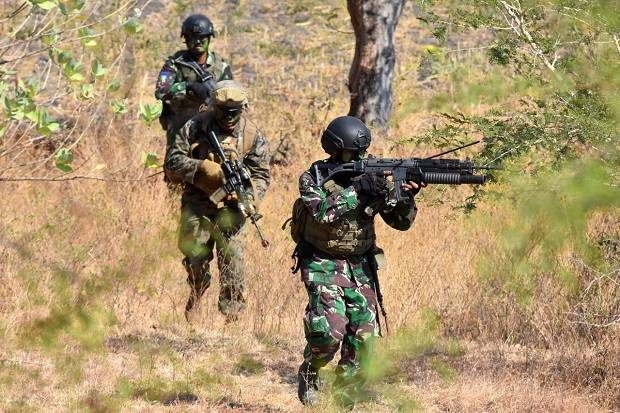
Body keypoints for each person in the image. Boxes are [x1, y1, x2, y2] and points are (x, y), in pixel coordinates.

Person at [293, 116, 423, 407]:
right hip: (322, 262)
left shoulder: (374, 175)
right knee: (329, 332)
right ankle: (312, 369)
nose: (362, 158)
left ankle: (345, 393)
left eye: (363, 152)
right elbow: (322, 213)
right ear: (336, 151)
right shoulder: (313, 177)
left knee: (365, 338)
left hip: (361, 265)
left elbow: (400, 223)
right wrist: (357, 191)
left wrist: (404, 197)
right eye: (355, 153)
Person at [164, 80, 270, 322]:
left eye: (235, 113)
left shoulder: (252, 135)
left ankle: (232, 319)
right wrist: (201, 168)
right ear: (213, 107)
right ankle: (197, 292)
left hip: (233, 208)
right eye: (223, 112)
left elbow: (262, 174)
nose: (229, 118)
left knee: (233, 263)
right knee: (195, 260)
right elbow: (172, 162)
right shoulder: (194, 128)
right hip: (198, 206)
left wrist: (251, 198)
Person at [155, 13, 233, 167]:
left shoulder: (220, 66)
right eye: (192, 37)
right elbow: (161, 91)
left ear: (209, 38)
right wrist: (188, 86)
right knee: (175, 170)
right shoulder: (175, 63)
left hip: (212, 124)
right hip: (181, 125)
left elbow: (232, 97)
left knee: (218, 167)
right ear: (185, 39)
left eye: (202, 38)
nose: (198, 41)